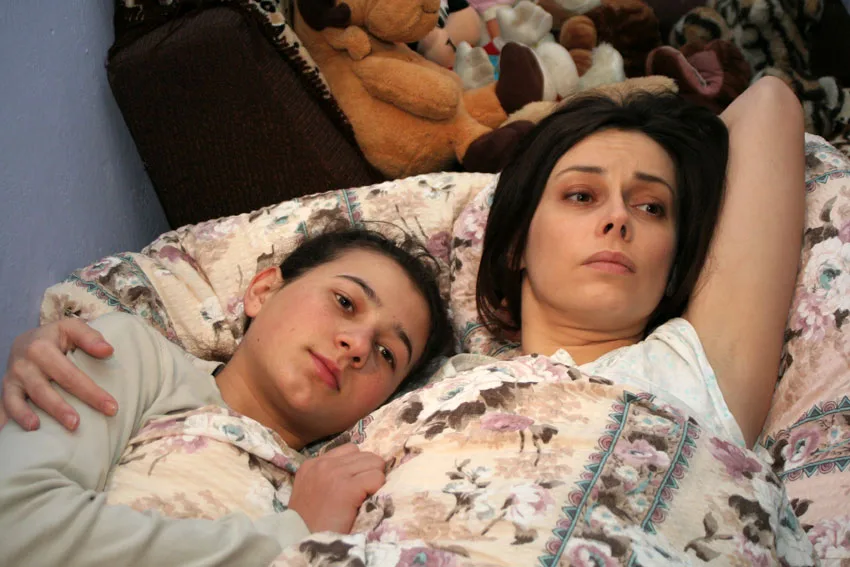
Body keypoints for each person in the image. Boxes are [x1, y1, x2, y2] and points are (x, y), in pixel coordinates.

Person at [2, 77, 812, 563]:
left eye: (652, 206)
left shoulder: (684, 369)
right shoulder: (390, 416)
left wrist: (646, 115)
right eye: (580, 193)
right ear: (516, 244)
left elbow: (771, 103)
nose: (617, 219)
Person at [0, 228, 453, 566]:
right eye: (345, 301)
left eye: (386, 354)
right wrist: (294, 538)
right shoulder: (135, 354)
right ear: (264, 291)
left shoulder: (347, 492)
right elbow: (16, 525)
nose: (357, 345)